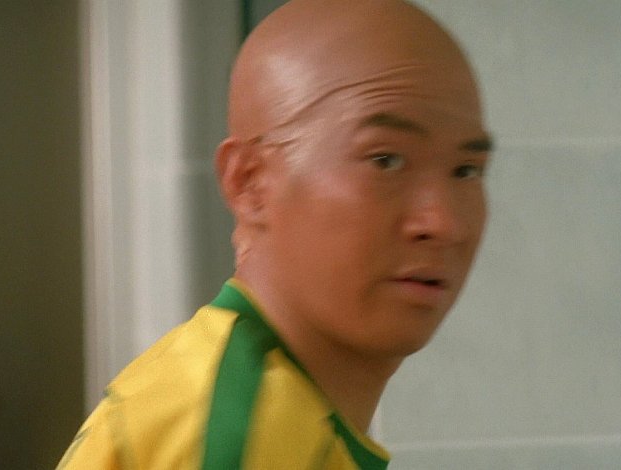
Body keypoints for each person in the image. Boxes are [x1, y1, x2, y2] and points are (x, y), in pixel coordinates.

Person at [58, 0, 491, 468]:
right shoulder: (243, 435)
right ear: (249, 183)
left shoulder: (265, 412)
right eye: (385, 160)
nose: (443, 223)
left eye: (467, 170)